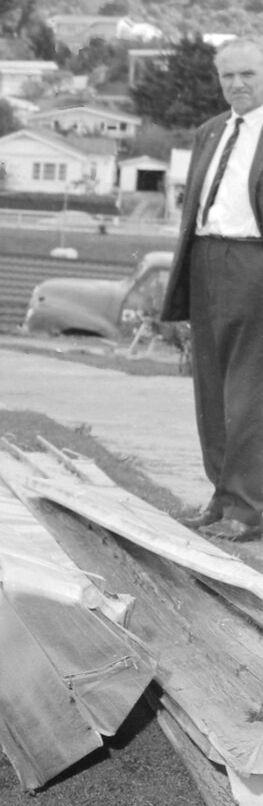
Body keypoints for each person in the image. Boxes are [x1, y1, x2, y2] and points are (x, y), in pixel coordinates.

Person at [162, 37, 263, 542]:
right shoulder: (210, 132)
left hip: (254, 261)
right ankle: (221, 498)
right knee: (210, 386)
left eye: (248, 74)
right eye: (229, 76)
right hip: (206, 259)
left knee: (248, 390)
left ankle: (249, 508)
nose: (238, 84)